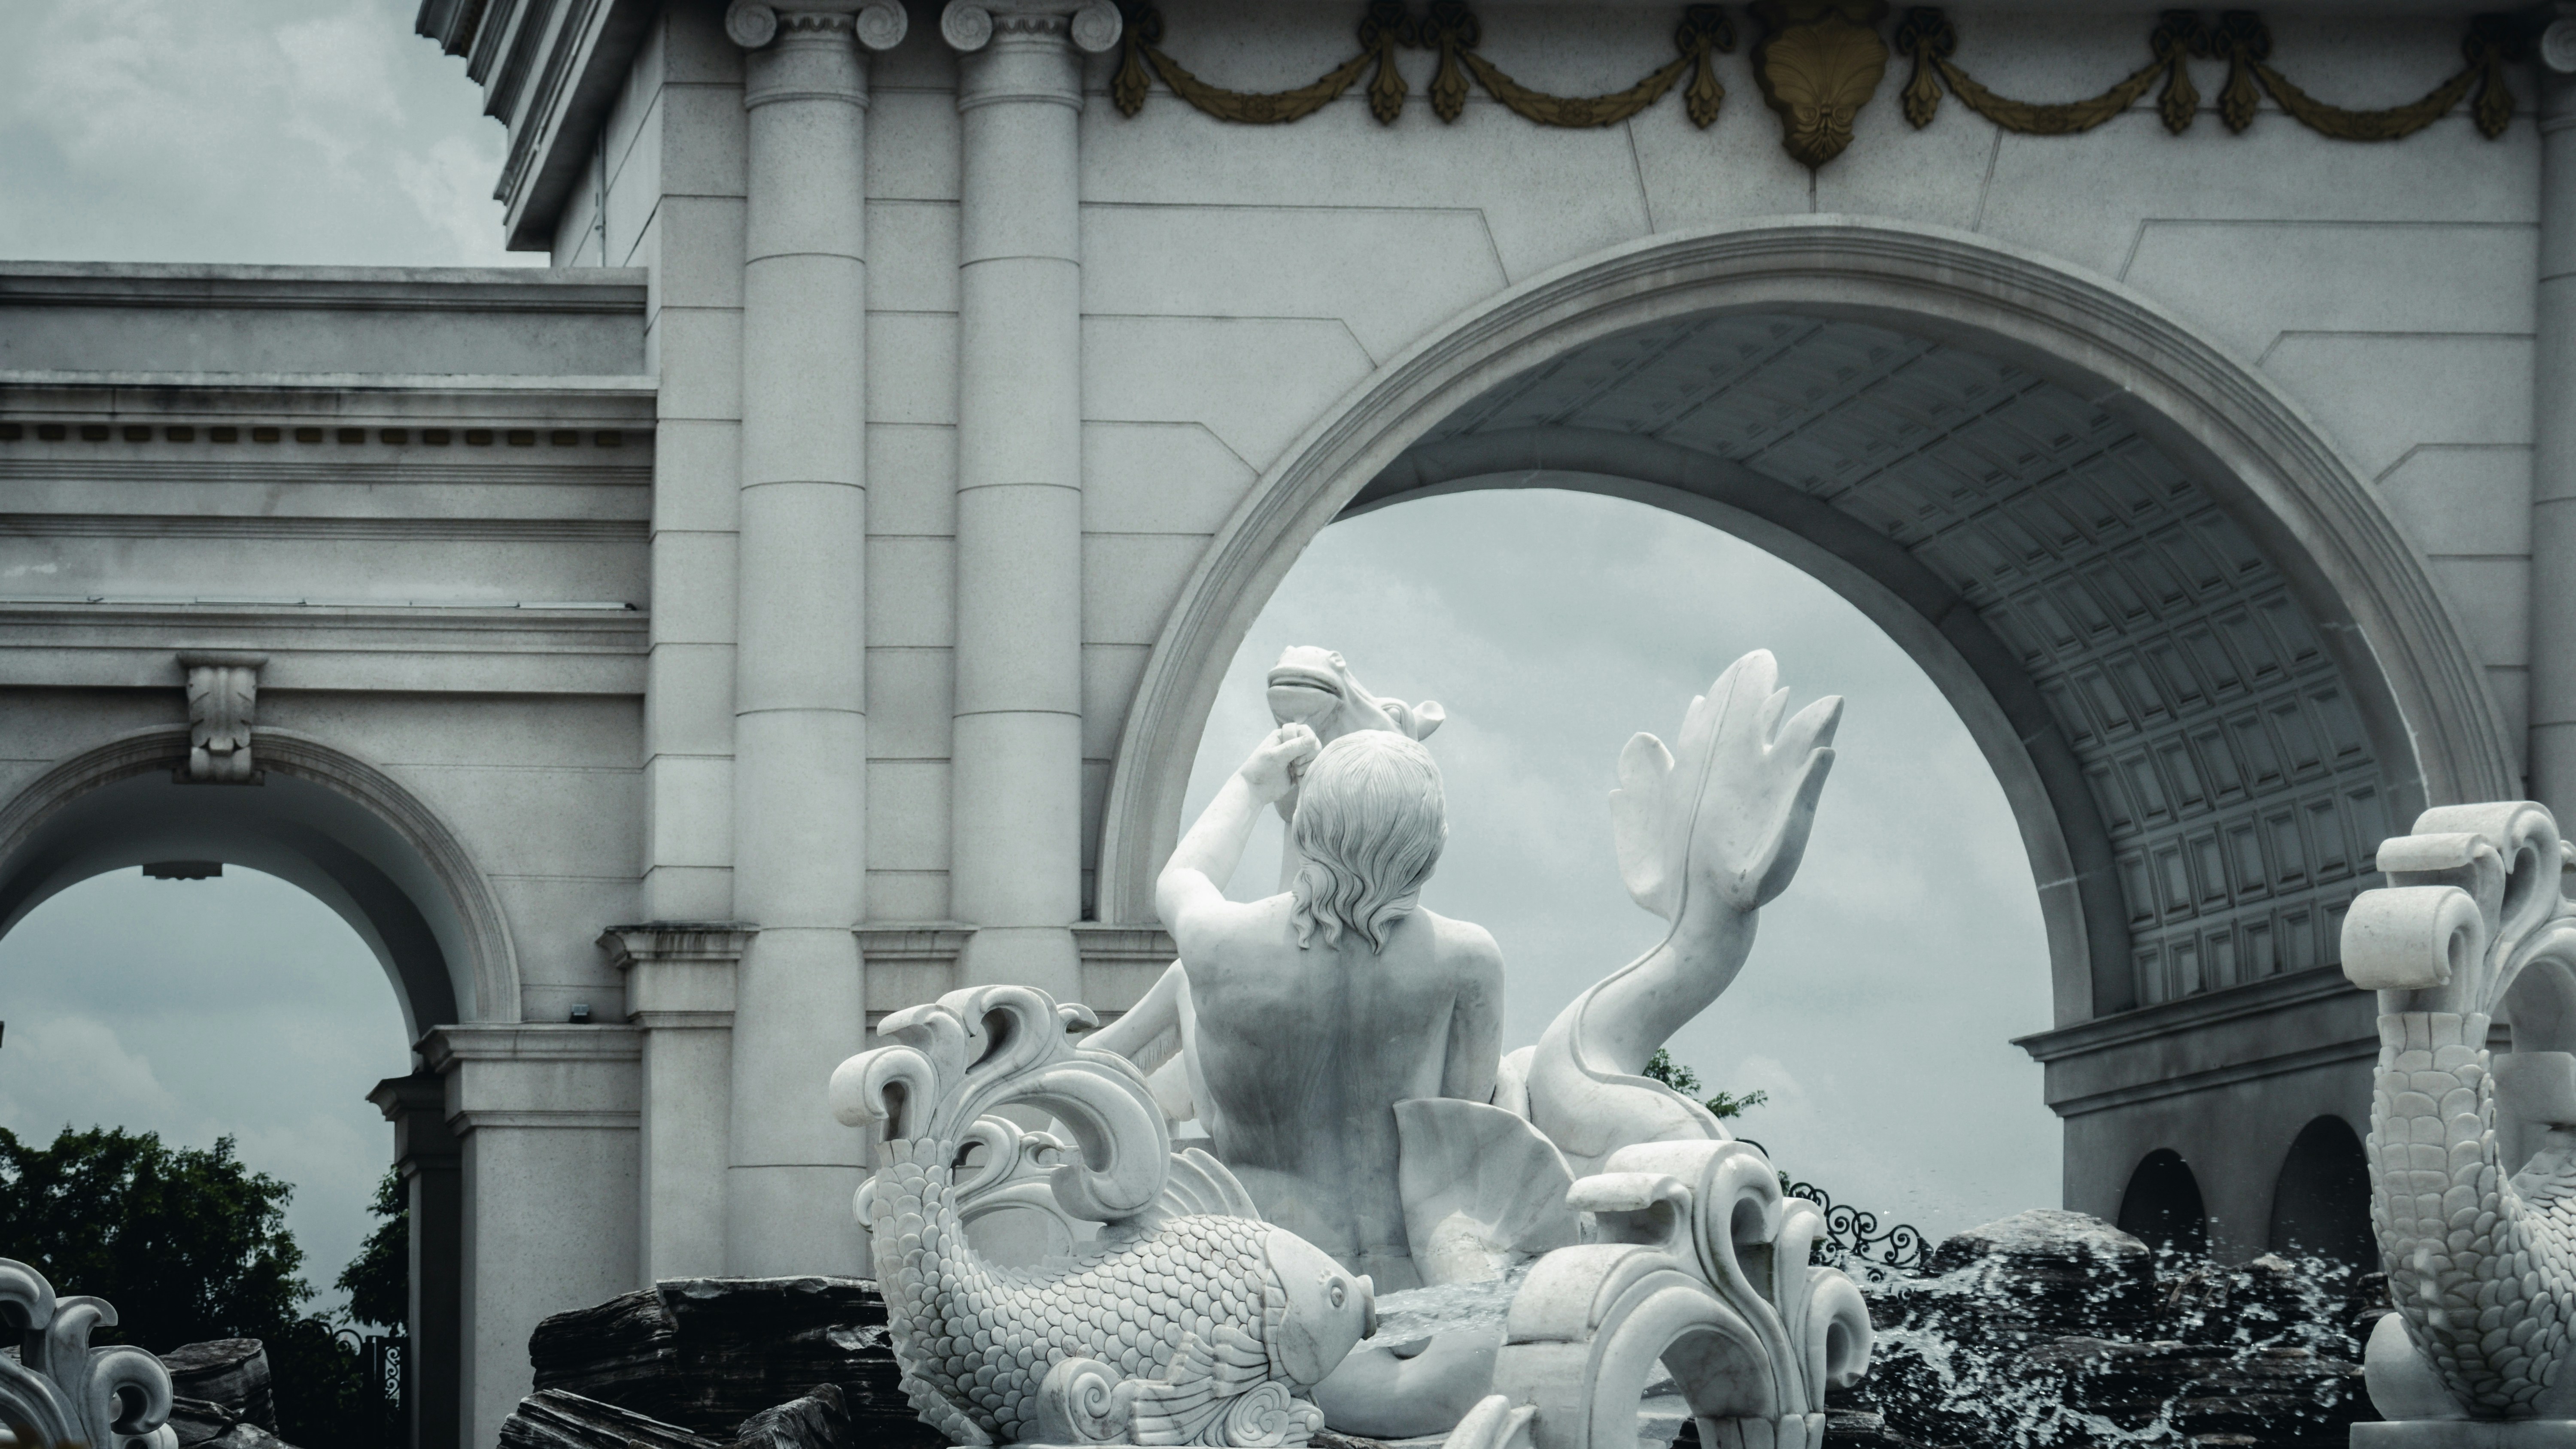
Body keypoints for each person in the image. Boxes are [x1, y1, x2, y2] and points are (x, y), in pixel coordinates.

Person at [1133, 720, 1504, 1290]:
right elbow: (1461, 1116)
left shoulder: (1221, 945)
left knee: (1189, 988)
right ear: (1432, 842)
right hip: (1405, 1285)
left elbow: (1182, 877)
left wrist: (1252, 784)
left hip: (1258, 1281)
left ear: (1306, 827)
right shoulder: (1467, 959)